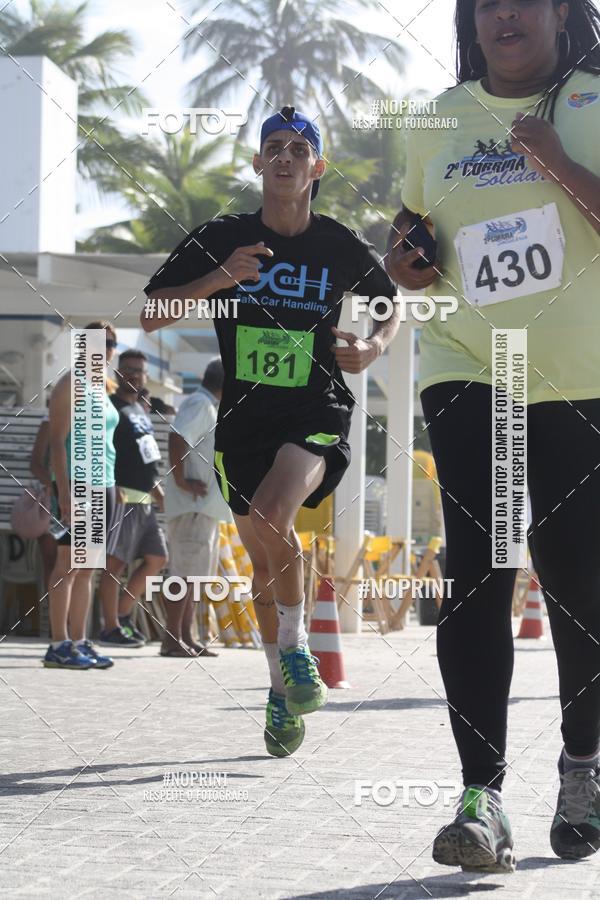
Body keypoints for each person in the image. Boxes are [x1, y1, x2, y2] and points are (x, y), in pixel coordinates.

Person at [386, 0, 600, 870]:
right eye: (487, 3)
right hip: (470, 362)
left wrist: (559, 168)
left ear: (560, 12)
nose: (504, 13)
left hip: (582, 378)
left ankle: (583, 766)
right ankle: (483, 795)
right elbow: (410, 225)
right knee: (476, 564)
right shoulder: (437, 116)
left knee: (578, 577)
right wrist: (402, 254)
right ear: (473, 22)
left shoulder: (592, 100)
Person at [141, 106, 400, 756]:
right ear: (258, 165)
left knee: (275, 513)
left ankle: (295, 651)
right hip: (244, 423)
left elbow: (393, 302)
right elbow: (149, 316)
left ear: (317, 167)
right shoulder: (222, 235)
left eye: (297, 149)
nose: (285, 158)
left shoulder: (336, 243)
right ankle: (280, 689)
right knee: (262, 549)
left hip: (316, 410)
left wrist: (374, 346)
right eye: (273, 148)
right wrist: (216, 278)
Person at [44, 321, 118, 669]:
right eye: (100, 342)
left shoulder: (102, 387)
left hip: (104, 483)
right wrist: (64, 492)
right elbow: (56, 441)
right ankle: (58, 644)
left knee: (88, 567)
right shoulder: (69, 384)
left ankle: (79, 640)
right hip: (78, 483)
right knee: (67, 566)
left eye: (111, 344)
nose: (106, 350)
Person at [98, 349, 168, 647]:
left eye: (140, 371)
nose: (134, 375)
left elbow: (146, 455)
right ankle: (110, 627)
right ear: (117, 372)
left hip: (146, 500)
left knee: (157, 559)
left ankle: (123, 616)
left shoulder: (141, 410)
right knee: (114, 565)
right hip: (122, 497)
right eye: (128, 370)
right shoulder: (111, 408)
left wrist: (158, 489)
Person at [162, 358, 228, 657]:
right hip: (192, 504)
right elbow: (176, 436)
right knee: (183, 574)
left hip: (203, 506)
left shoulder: (208, 405)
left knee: (194, 576)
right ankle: (172, 638)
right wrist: (182, 481)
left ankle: (185, 636)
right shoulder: (201, 404)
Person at [30, 412, 57, 591]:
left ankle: (72, 617)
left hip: (85, 498)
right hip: (52, 500)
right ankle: (56, 615)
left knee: (78, 565)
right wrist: (57, 487)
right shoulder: (50, 422)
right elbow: (35, 464)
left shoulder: (95, 420)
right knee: (51, 561)